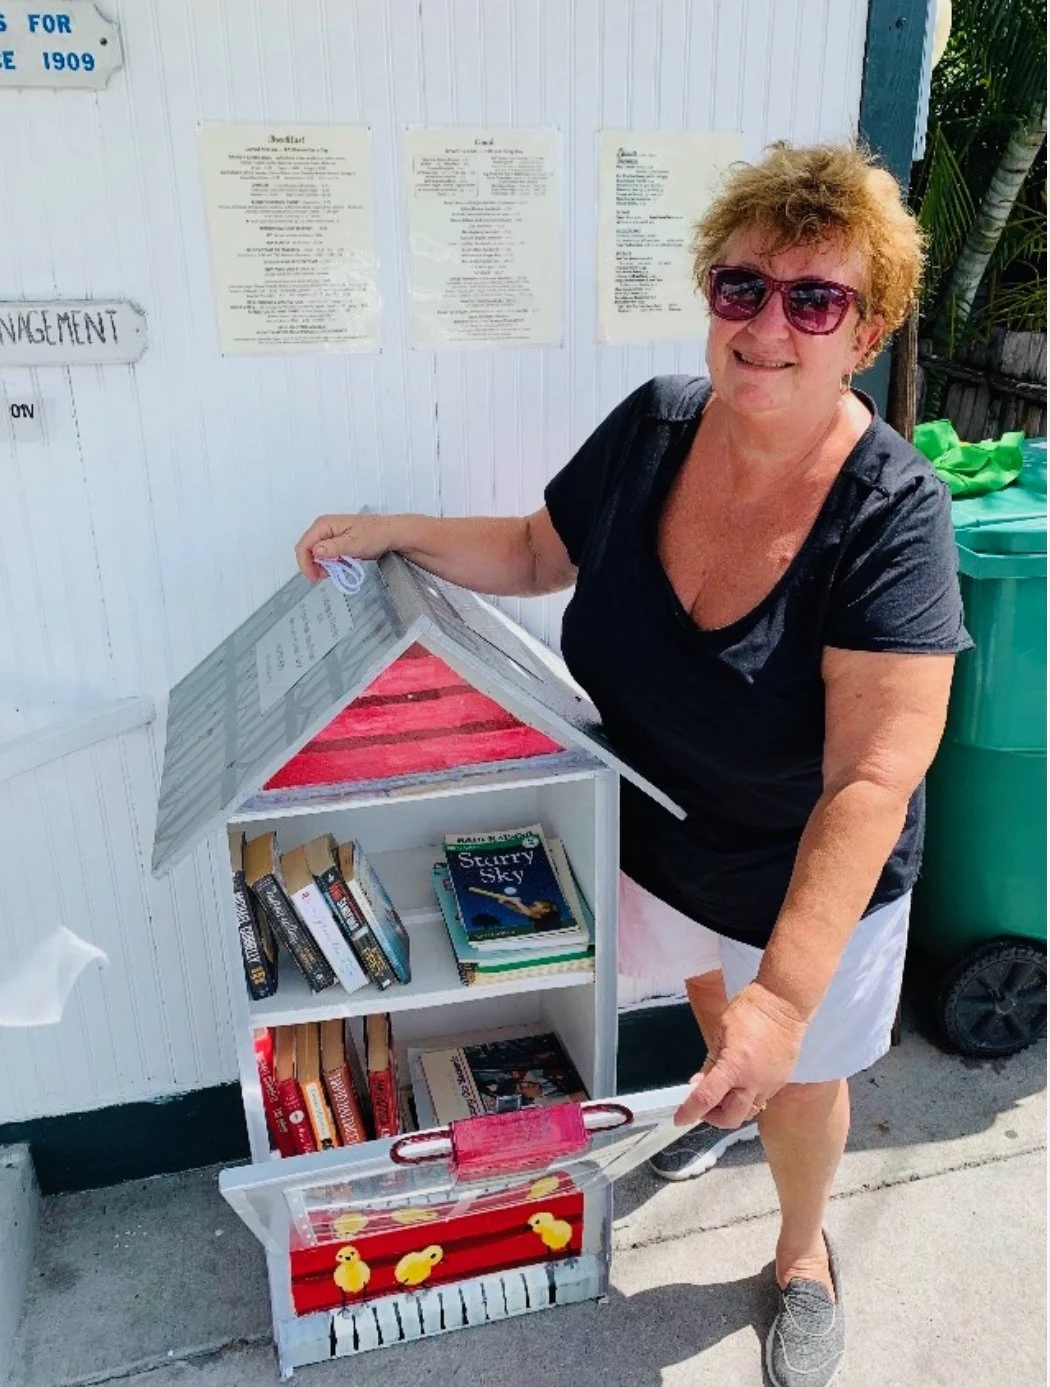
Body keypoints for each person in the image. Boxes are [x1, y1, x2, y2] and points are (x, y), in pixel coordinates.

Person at [295, 142, 970, 1387]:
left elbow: (871, 778)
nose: (769, 325)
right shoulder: (658, 422)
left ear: (863, 331)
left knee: (801, 1078)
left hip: (806, 864)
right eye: (741, 287)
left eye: (812, 300)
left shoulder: (895, 513)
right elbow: (537, 547)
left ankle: (805, 1250)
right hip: (660, 822)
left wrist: (780, 1004)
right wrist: (393, 527)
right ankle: (728, 1093)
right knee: (708, 994)